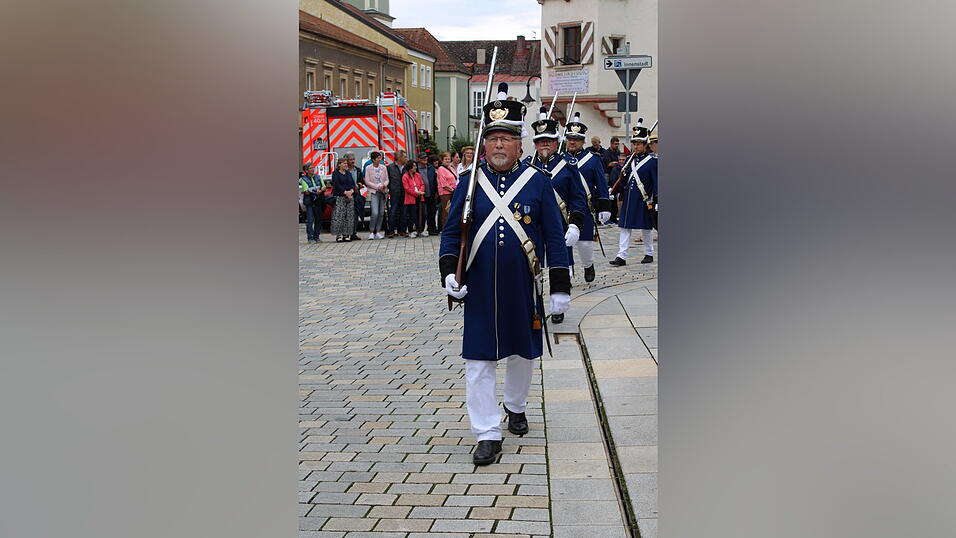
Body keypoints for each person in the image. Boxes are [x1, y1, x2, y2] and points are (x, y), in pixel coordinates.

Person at [440, 83, 571, 465]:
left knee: (522, 355)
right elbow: (452, 233)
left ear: (519, 145)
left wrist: (560, 285)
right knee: (478, 362)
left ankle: (515, 405)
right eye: (493, 139)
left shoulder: (538, 183)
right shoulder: (468, 183)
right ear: (485, 145)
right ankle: (486, 432)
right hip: (479, 288)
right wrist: (450, 272)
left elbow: (553, 236)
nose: (499, 146)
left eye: (506, 140)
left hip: (521, 286)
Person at [523, 106, 589, 324]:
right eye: (540, 141)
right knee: (533, 268)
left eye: (548, 141)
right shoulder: (525, 167)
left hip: (560, 225)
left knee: (560, 266)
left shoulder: (568, 166)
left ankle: (558, 305)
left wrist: (576, 225)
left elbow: (578, 198)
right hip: (532, 227)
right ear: (534, 143)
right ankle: (534, 305)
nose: (544, 145)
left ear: (556, 142)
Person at [562, 112, 611, 283]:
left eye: (576, 139)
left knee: (584, 244)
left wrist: (605, 207)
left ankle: (588, 265)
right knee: (564, 242)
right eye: (570, 138)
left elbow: (601, 183)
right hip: (562, 208)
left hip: (584, 208)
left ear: (583, 141)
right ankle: (566, 273)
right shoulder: (561, 160)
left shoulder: (592, 159)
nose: (572, 142)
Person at [610, 121, 658, 266]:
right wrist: (615, 189)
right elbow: (624, 181)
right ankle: (621, 256)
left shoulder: (652, 161)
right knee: (624, 226)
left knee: (646, 227)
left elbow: (656, 182)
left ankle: (649, 253)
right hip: (630, 199)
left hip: (643, 199)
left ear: (645, 145)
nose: (636, 146)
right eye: (634, 143)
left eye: (639, 144)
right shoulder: (630, 161)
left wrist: (657, 200)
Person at [330, 157, 356, 242]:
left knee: (349, 216)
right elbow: (336, 185)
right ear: (339, 164)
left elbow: (352, 183)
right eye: (344, 163)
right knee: (339, 216)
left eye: (346, 163)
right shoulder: (335, 173)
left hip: (349, 197)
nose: (346, 165)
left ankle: (346, 234)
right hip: (340, 197)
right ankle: (339, 234)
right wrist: (345, 192)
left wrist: (351, 191)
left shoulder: (348, 173)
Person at [363, 151, 388, 239]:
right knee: (375, 212)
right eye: (378, 158)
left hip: (382, 191)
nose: (379, 159)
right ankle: (371, 231)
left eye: (380, 157)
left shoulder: (383, 168)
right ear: (373, 159)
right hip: (374, 191)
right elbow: (367, 181)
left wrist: (384, 185)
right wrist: (377, 186)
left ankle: (378, 231)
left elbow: (386, 179)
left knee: (381, 213)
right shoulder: (368, 168)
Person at [299, 163, 325, 243]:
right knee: (310, 220)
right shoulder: (303, 179)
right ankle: (310, 238)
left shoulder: (318, 177)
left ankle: (316, 237)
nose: (313, 169)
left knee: (318, 219)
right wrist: (315, 191)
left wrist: (322, 189)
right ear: (306, 170)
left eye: (313, 167)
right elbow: (306, 191)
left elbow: (323, 186)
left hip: (318, 200)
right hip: (310, 202)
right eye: (311, 168)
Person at [416, 153, 439, 236]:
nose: (425, 159)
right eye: (422, 158)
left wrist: (436, 192)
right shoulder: (416, 168)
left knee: (432, 212)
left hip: (431, 194)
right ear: (418, 159)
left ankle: (432, 229)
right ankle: (420, 229)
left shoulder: (430, 168)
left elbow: (434, 180)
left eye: (426, 157)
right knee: (422, 213)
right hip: (420, 194)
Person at [386, 150, 408, 237]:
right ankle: (391, 231)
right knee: (393, 211)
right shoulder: (390, 167)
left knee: (404, 212)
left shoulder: (406, 167)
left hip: (405, 192)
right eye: (404, 157)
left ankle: (402, 230)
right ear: (399, 158)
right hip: (394, 192)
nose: (406, 158)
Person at [401, 160, 425, 238]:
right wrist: (416, 193)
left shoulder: (418, 175)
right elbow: (407, 188)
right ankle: (411, 230)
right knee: (412, 215)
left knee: (421, 214)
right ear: (410, 167)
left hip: (419, 197)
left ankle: (420, 230)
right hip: (411, 198)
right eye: (414, 166)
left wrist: (421, 191)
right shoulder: (405, 176)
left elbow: (422, 184)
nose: (415, 167)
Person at [344, 152, 365, 240]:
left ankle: (353, 233)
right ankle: (347, 233)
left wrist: (359, 185)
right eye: (350, 160)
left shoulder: (358, 170)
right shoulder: (344, 171)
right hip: (347, 195)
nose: (353, 161)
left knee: (355, 214)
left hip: (356, 195)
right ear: (346, 160)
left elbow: (362, 181)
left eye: (353, 159)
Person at [436, 152, 458, 230]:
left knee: (451, 211)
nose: (447, 161)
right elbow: (444, 184)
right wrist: (452, 190)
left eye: (448, 159)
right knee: (446, 211)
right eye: (445, 159)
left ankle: (451, 228)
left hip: (453, 192)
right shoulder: (441, 169)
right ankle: (445, 228)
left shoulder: (451, 168)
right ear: (442, 160)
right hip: (446, 193)